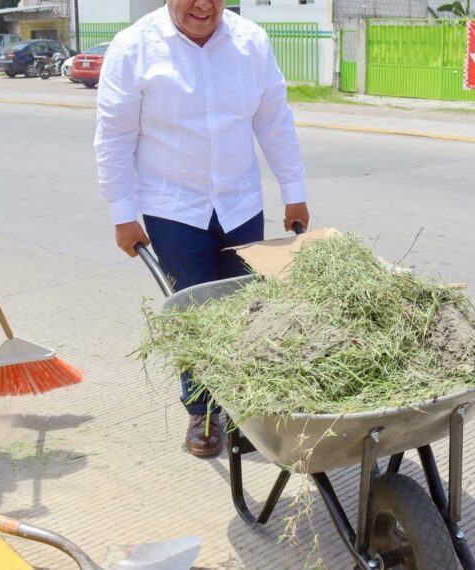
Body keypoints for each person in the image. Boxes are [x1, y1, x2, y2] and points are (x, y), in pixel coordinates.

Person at [95, 0, 310, 457]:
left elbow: (274, 120)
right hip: (172, 208)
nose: (202, 5)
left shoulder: (251, 42)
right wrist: (122, 212)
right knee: (192, 314)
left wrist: (294, 190)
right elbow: (114, 135)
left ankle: (244, 408)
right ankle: (203, 410)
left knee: (245, 310)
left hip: (240, 203)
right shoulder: (134, 47)